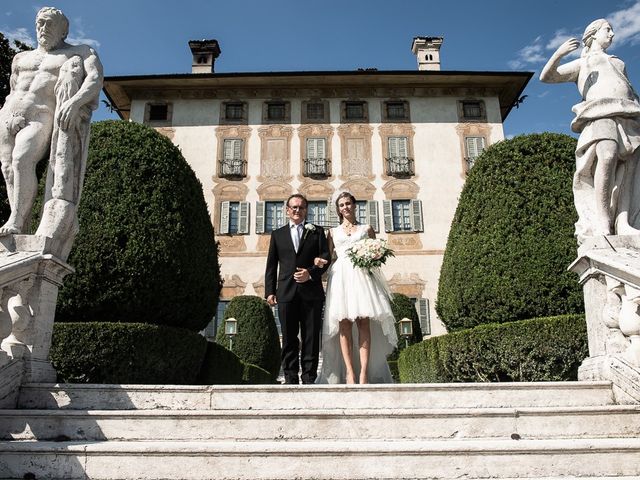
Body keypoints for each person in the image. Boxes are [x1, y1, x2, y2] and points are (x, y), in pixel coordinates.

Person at [0, 7, 103, 238]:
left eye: (49, 24)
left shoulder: (80, 52)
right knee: (7, 170)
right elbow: (14, 88)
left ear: (63, 30)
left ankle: (15, 220)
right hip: (8, 115)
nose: (43, 28)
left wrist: (75, 102)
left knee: (22, 159)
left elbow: (95, 79)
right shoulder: (21, 58)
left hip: (41, 115)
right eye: (40, 23)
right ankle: (20, 224)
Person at [540, 19, 640, 242]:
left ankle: (623, 222)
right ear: (593, 34)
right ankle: (602, 219)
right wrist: (559, 53)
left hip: (628, 114)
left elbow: (629, 90)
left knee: (630, 169)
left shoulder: (618, 62)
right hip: (599, 113)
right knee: (607, 156)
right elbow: (547, 76)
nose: (612, 34)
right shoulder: (583, 63)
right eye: (608, 30)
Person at [316, 191, 397, 384]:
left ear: (354, 205)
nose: (345, 207)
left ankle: (364, 373)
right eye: (341, 205)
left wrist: (373, 256)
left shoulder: (366, 229)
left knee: (363, 322)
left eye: (348, 203)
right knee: (343, 324)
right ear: (338, 209)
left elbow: (376, 255)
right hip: (341, 277)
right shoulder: (333, 232)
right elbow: (328, 257)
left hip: (362, 277)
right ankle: (350, 373)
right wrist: (318, 262)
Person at [264, 194, 330, 384]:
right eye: (293, 207)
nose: (297, 210)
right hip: (286, 292)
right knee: (289, 337)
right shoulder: (277, 234)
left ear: (306, 210)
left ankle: (309, 377)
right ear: (287, 210)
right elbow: (271, 265)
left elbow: (325, 259)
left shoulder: (317, 232)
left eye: (301, 207)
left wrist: (310, 273)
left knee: (310, 337)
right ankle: (291, 377)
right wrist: (270, 291)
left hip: (312, 293)